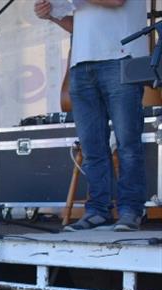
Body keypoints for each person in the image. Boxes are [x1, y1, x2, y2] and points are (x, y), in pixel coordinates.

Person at [35, 0, 147, 231]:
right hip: (81, 65)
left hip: (121, 59)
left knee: (128, 144)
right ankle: (97, 210)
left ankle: (131, 210)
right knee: (92, 146)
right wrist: (52, 16)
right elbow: (79, 26)